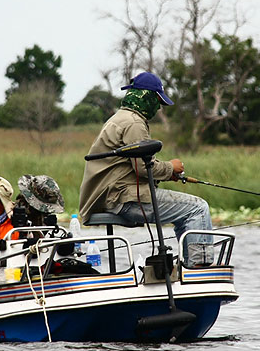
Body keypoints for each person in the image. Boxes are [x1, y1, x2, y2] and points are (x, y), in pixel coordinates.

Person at [78, 72, 213, 264]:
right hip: (125, 197)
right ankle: (200, 267)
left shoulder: (121, 117)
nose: (158, 107)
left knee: (186, 213)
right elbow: (142, 167)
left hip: (115, 196)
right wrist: (170, 167)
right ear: (146, 96)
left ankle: (189, 265)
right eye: (157, 101)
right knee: (198, 209)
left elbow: (133, 165)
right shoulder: (134, 122)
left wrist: (167, 174)